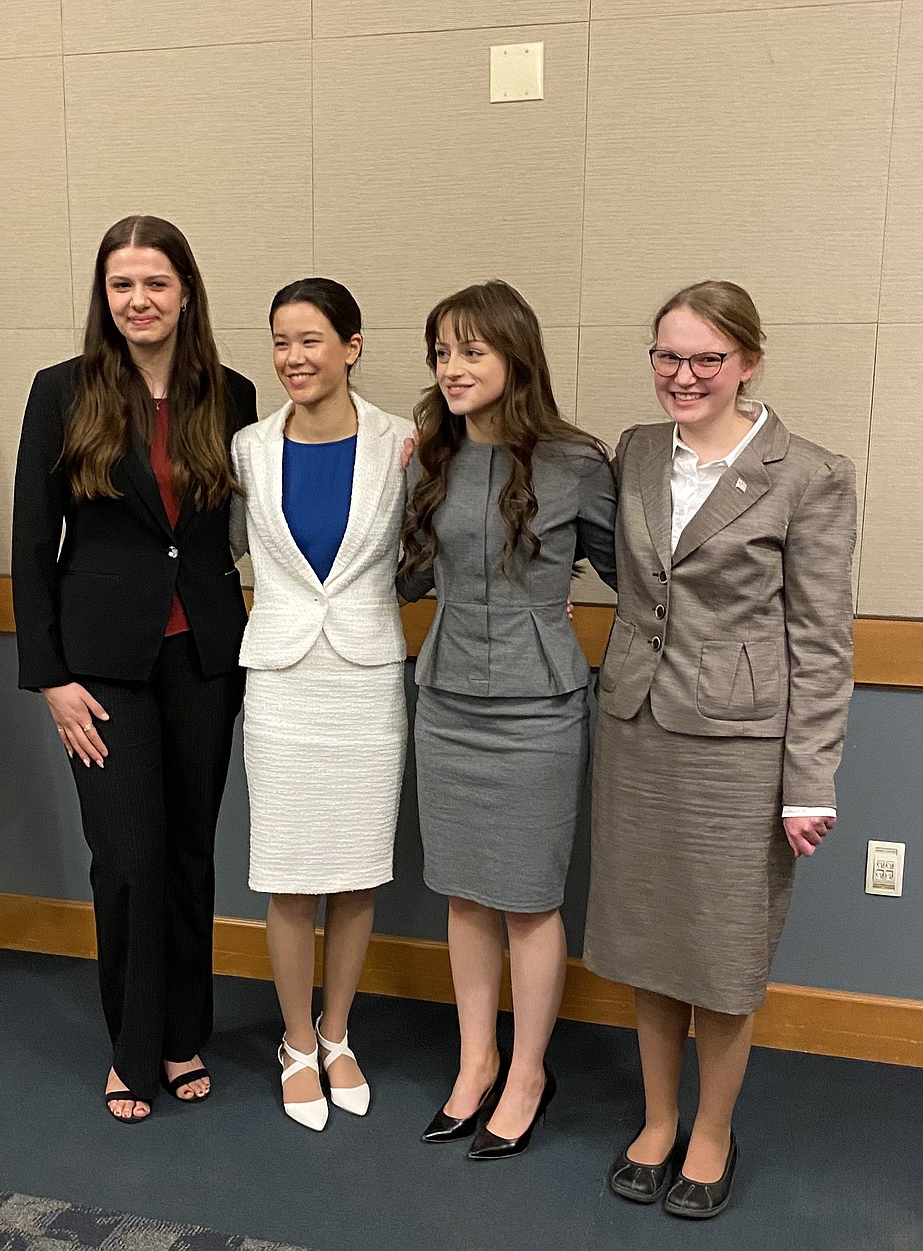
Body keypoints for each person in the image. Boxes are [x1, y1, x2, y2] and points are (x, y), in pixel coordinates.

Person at [583, 280, 855, 1218]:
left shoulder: (809, 472)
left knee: (723, 946)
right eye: (668, 355)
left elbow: (822, 641)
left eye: (706, 358)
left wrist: (808, 780)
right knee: (649, 936)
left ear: (747, 360)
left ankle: (711, 1131)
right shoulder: (634, 450)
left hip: (741, 748)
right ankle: (658, 1118)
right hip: (635, 728)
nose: (684, 376)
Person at [12, 214, 258, 1123]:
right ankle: (132, 1045)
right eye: (122, 285)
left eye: (155, 283)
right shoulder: (62, 391)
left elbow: (248, 515)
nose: (139, 300)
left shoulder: (229, 392)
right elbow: (33, 541)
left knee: (192, 853)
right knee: (127, 857)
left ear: (185, 291)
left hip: (205, 655)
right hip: (99, 669)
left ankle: (184, 1032)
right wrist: (51, 675)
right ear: (103, 297)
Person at [397, 280, 617, 1160]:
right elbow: (406, 580)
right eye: (442, 352)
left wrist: (550, 605)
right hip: (446, 699)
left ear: (515, 356)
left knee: (529, 896)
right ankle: (475, 1060)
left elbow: (631, 577)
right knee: (463, 891)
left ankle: (529, 1070)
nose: (452, 368)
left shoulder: (575, 461)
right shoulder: (430, 457)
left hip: (538, 707)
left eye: (471, 351)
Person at [230, 278, 413, 1131]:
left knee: (356, 870)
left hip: (367, 677)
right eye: (280, 342)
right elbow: (226, 552)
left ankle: (340, 1033)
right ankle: (296, 1041)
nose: (293, 358)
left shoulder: (405, 443)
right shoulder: (247, 447)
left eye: (310, 340)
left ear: (353, 343)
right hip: (281, 681)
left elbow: (441, 544)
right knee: (289, 871)